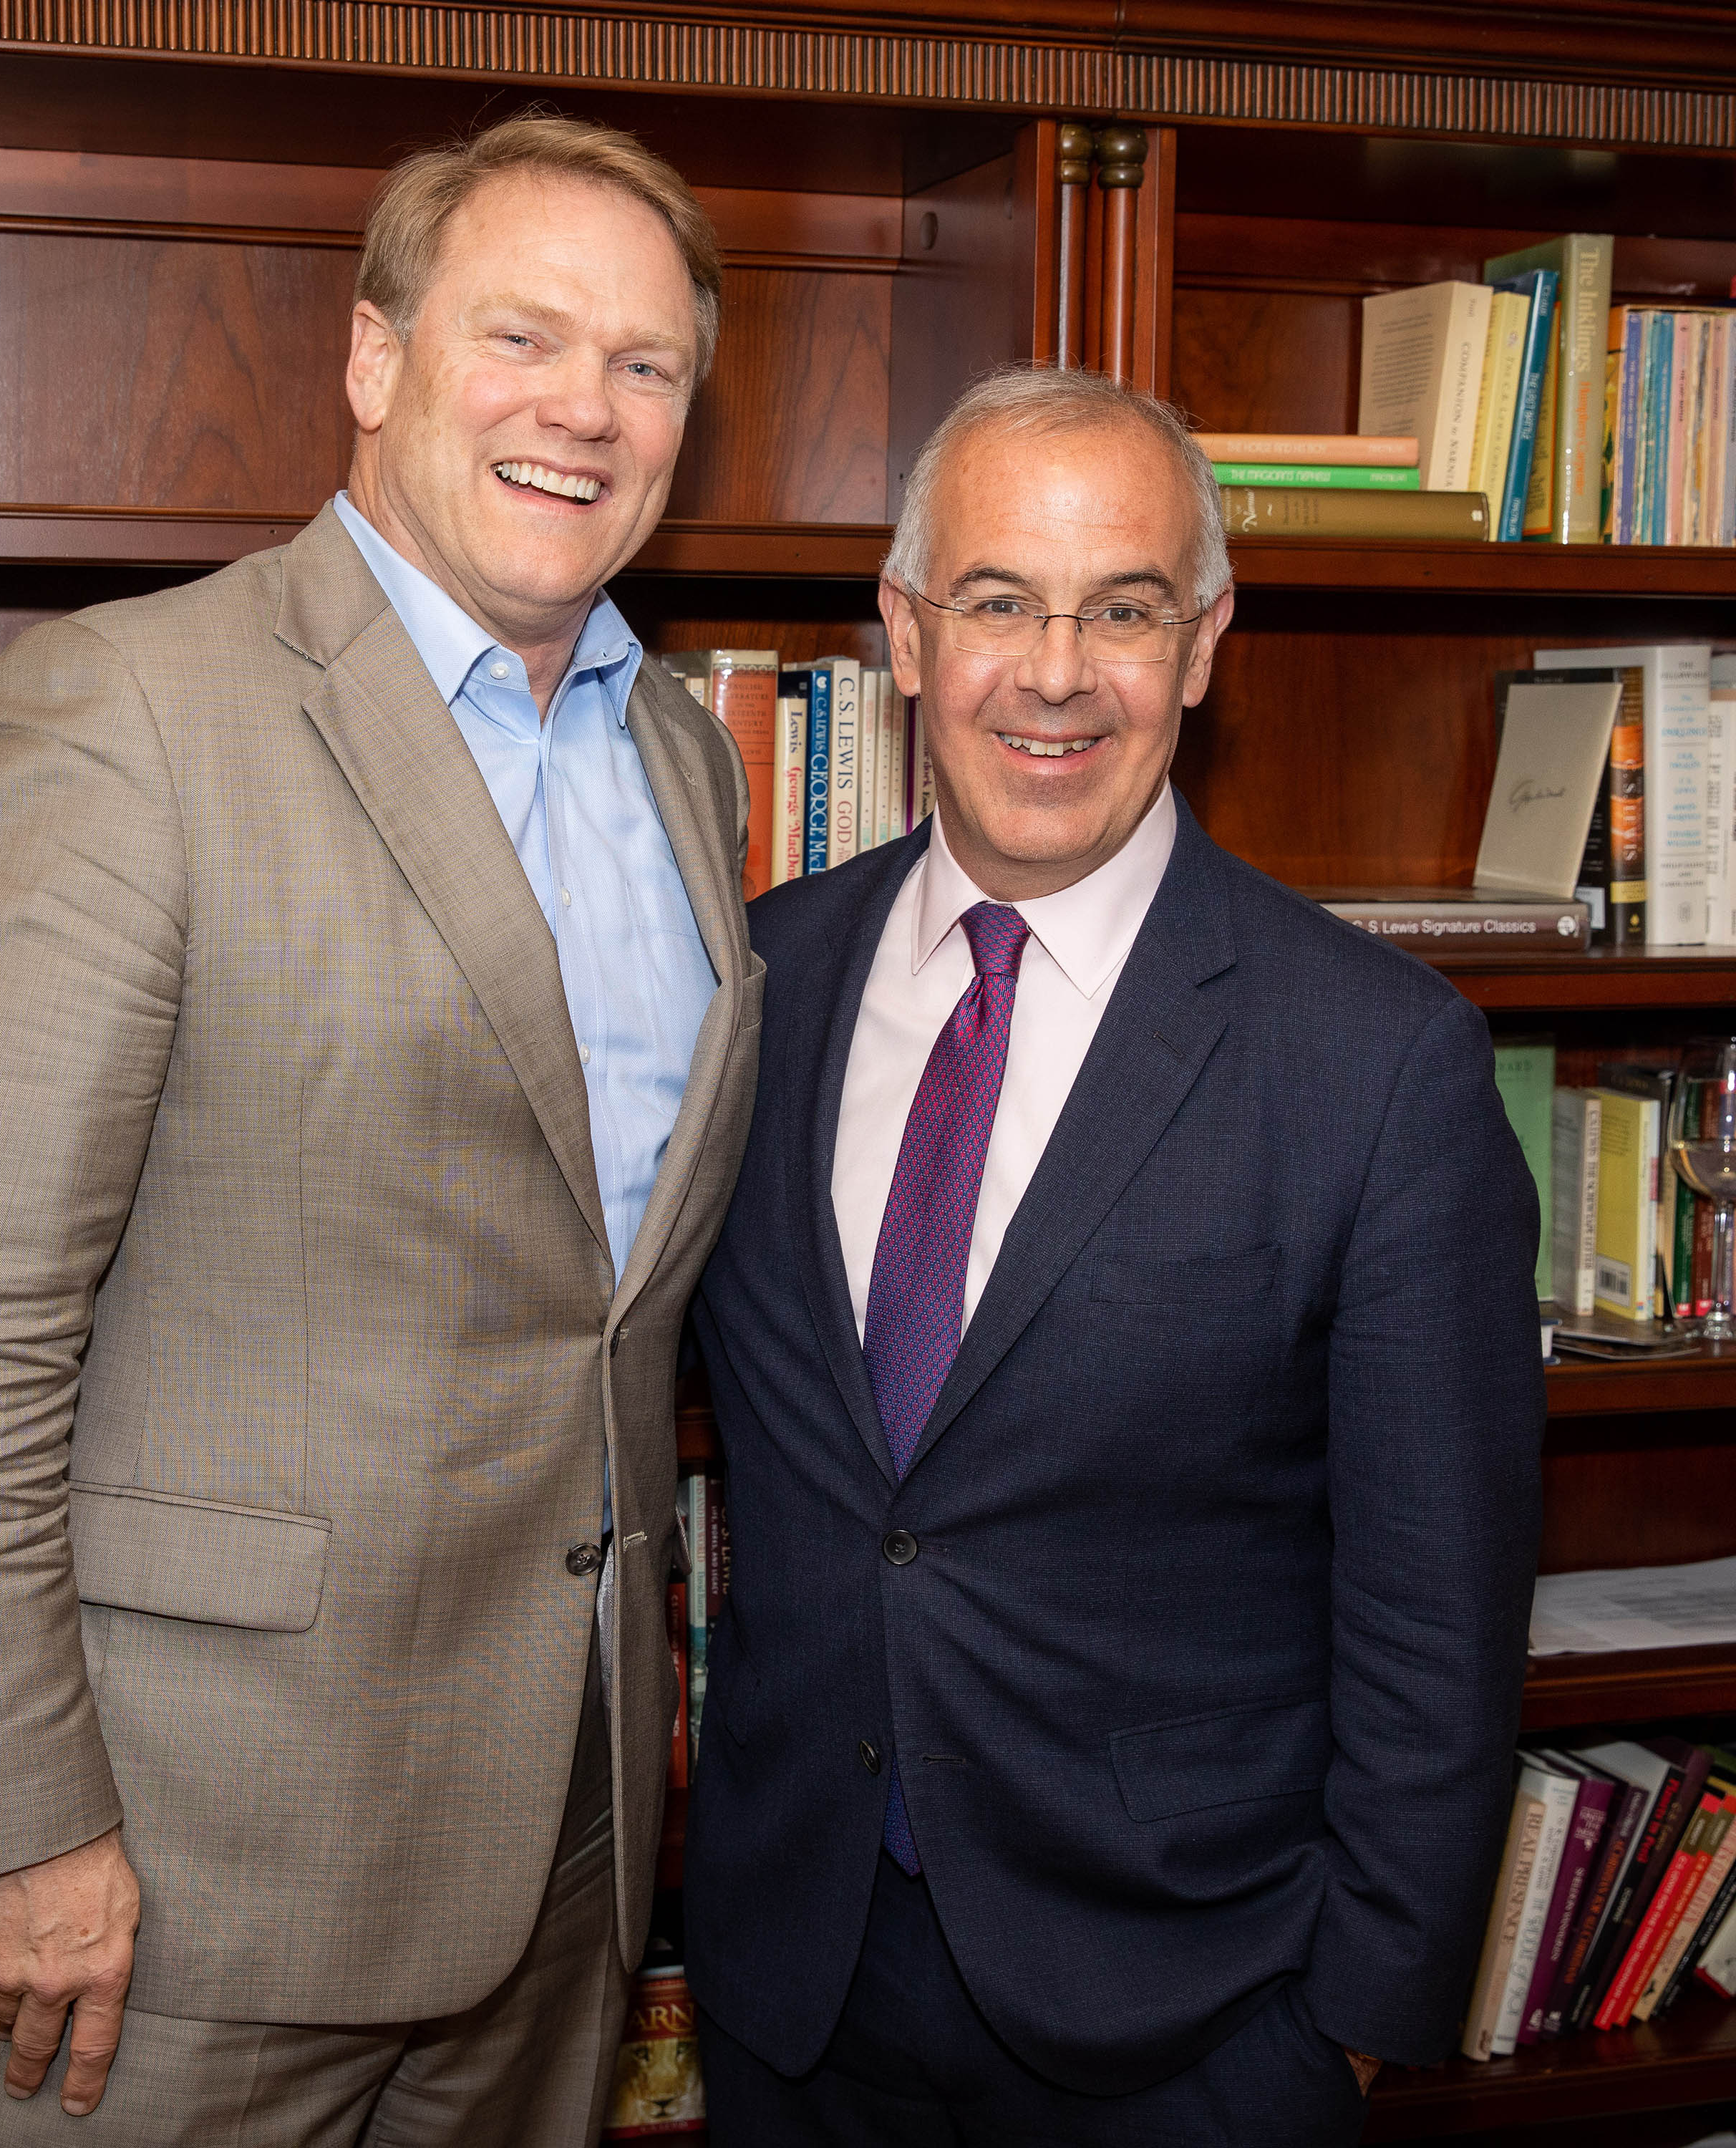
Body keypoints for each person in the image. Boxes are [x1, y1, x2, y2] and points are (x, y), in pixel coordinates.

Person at [0, 114, 762, 2147]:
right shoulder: (127, 717)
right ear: (375, 359)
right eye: (523, 337)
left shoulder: (684, 755)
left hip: (568, 1846)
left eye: (645, 366)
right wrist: (18, 1832)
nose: (581, 410)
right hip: (186, 1875)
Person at [684, 364, 1546, 2146]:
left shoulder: (1377, 1062)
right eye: (997, 599)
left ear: (1205, 644)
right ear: (907, 636)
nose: (1057, 670)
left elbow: (1436, 1625)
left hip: (1195, 2030)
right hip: (797, 1993)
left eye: (1126, 608)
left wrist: (1348, 2032)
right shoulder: (754, 987)